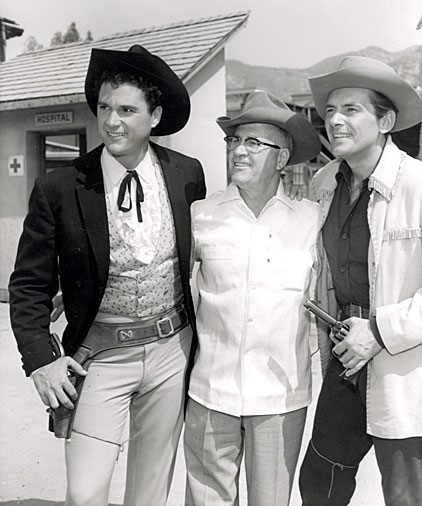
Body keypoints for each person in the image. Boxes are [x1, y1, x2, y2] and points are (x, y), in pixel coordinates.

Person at [9, 45, 205, 506]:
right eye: (103, 108)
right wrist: (41, 359)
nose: (112, 121)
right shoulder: (60, 187)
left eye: (127, 110)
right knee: (86, 492)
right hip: (99, 357)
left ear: (155, 116)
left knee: (150, 492)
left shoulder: (187, 176)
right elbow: (29, 285)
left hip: (171, 353)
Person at [183, 90, 321, 506]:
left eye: (253, 143)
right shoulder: (201, 215)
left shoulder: (310, 220)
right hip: (210, 392)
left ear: (282, 159)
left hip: (280, 400)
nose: (239, 151)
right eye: (234, 141)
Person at [298, 56, 422, 506]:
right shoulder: (323, 182)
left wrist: (380, 330)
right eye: (329, 111)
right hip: (345, 361)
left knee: (406, 495)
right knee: (319, 485)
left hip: (406, 368)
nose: (335, 120)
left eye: (351, 109)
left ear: (385, 120)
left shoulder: (417, 186)